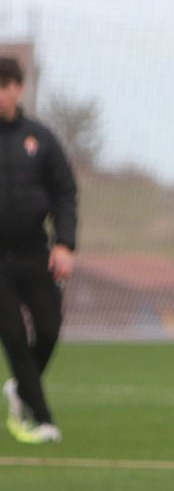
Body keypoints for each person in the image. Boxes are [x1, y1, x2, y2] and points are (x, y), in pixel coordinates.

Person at [0, 56, 78, 445]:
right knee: (12, 334)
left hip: (34, 251)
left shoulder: (41, 139)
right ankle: (42, 419)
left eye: (5, 85)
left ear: (19, 88)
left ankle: (19, 390)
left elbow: (65, 192)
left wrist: (65, 243)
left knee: (48, 329)